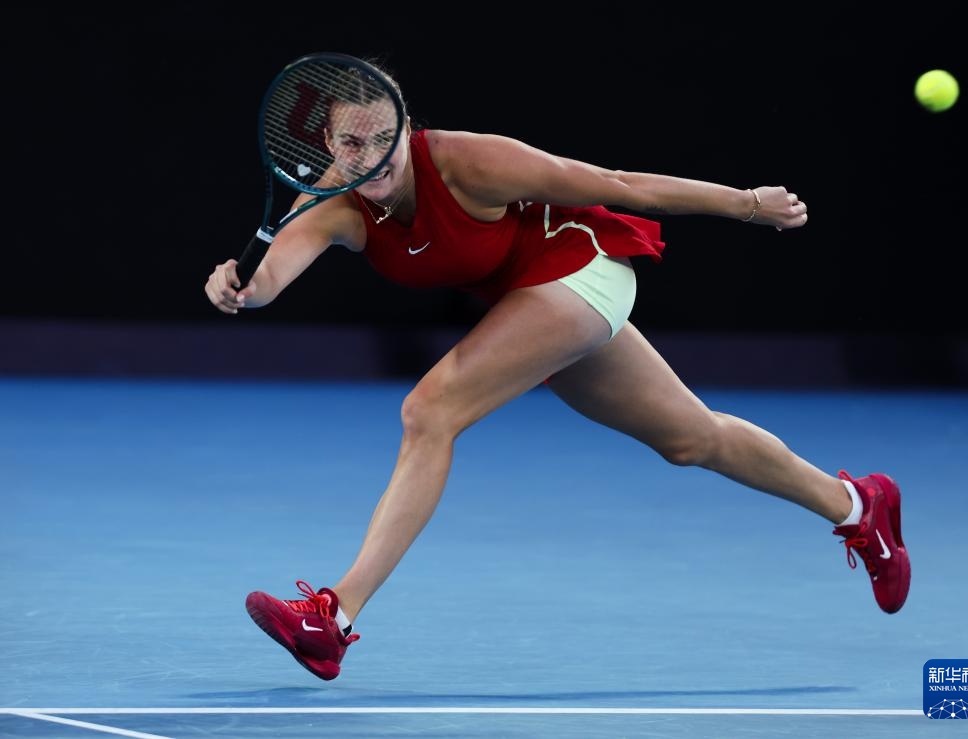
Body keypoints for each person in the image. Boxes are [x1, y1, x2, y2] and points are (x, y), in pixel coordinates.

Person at [205, 62, 910, 681]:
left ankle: (334, 616)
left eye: (385, 139)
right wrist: (239, 288)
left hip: (581, 267)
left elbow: (617, 184)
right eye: (352, 143)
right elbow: (268, 279)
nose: (372, 157)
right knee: (691, 438)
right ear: (330, 146)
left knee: (430, 410)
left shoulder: (469, 162)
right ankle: (857, 506)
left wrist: (746, 203)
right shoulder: (330, 201)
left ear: (407, 128)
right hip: (528, 300)